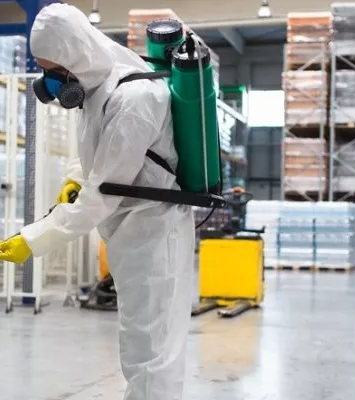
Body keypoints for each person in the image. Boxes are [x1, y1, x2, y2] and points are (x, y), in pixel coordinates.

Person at [0, 4, 195, 400]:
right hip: (129, 233)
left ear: (77, 55)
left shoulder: (135, 98)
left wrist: (35, 238)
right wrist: (74, 179)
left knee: (153, 355)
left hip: (155, 234)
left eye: (54, 71)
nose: (51, 83)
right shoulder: (96, 88)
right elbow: (94, 150)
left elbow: (104, 193)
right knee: (139, 345)